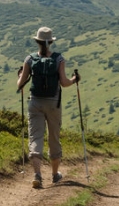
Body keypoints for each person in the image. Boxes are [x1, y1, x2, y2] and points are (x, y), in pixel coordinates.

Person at [17, 27, 80, 189]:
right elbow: (64, 83)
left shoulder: (29, 59)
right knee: (54, 137)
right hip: (53, 103)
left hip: (35, 103)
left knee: (35, 137)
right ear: (51, 42)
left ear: (37, 41)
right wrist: (74, 79)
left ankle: (37, 174)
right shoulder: (59, 59)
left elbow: (20, 84)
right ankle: (54, 174)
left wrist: (20, 76)